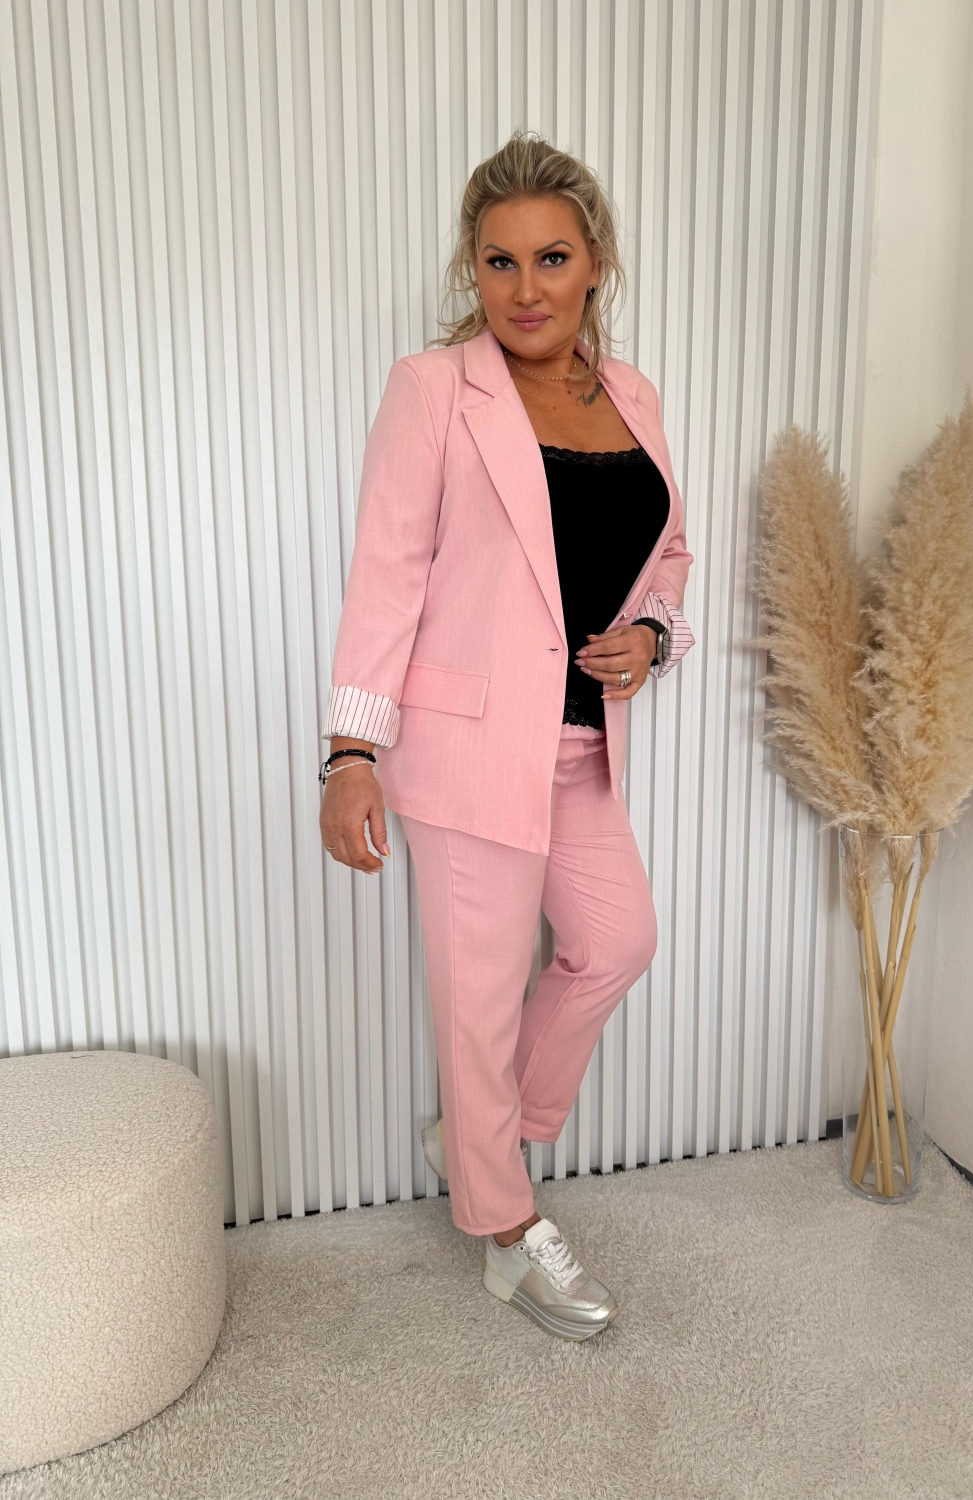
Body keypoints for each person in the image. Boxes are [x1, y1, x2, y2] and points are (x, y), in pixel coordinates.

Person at [319, 132, 695, 1342]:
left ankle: (487, 1144)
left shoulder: (631, 396)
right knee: (477, 1003)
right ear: (471, 270)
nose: (526, 288)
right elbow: (387, 574)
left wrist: (654, 634)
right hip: (466, 749)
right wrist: (352, 751)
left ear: (596, 264)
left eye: (552, 258)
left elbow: (668, 553)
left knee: (617, 941)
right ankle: (502, 1226)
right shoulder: (434, 390)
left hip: (581, 750)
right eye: (499, 261)